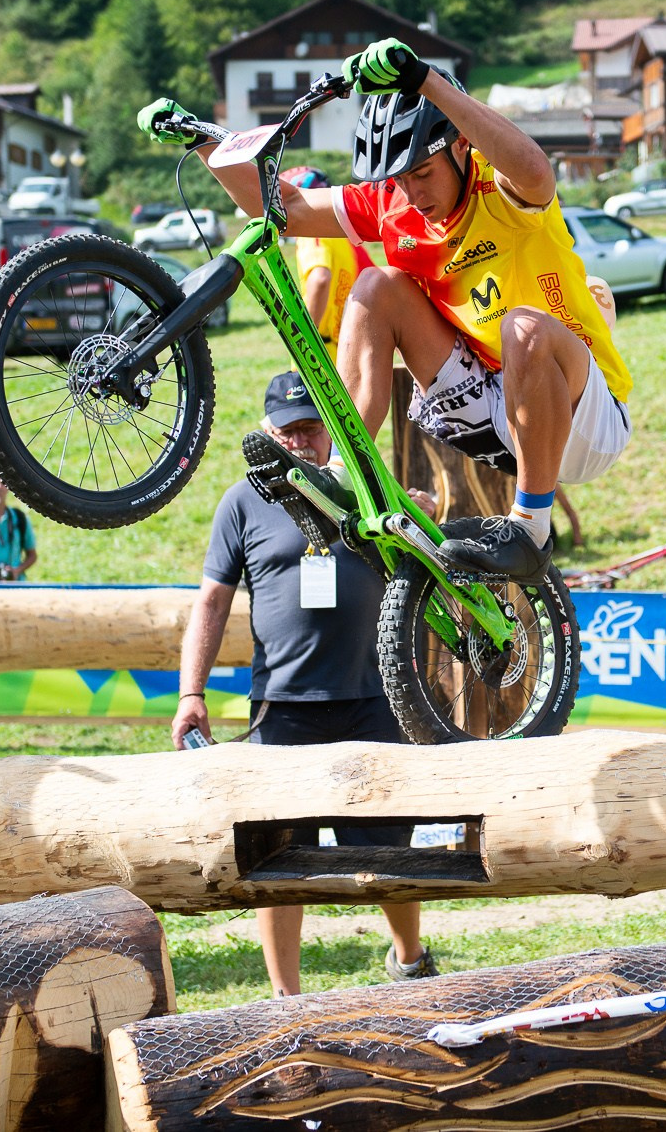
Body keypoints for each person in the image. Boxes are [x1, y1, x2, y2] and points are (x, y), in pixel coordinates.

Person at [139, 38, 632, 585]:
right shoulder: (395, 203)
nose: (411, 192)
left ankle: (532, 528)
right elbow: (289, 207)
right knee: (377, 286)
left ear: (461, 146)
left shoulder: (505, 189)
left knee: (523, 327)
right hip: (485, 412)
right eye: (398, 178)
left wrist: (424, 80)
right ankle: (343, 473)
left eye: (422, 172)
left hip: (580, 420)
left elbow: (537, 170)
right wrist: (204, 140)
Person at [173, 371, 438, 995]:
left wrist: (422, 516)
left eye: (311, 428)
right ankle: (285, 998)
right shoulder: (242, 502)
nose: (301, 442)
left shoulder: (364, 488)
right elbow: (210, 603)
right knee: (277, 859)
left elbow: (428, 558)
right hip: (283, 706)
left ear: (329, 432)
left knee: (387, 851)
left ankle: (408, 959)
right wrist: (192, 694)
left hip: (376, 699)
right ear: (268, 433)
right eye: (288, 431)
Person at [282, 167, 374, 352]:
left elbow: (320, 279)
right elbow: (374, 283)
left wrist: (302, 343)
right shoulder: (346, 238)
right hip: (346, 352)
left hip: (319, 355)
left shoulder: (311, 233)